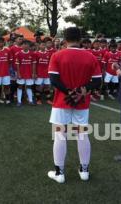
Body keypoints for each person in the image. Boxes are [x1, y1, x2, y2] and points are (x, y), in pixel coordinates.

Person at [47, 27, 102, 184]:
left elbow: (54, 80)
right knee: (82, 134)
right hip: (82, 102)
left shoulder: (57, 55)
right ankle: (84, 171)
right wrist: (79, 92)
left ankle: (59, 173)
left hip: (61, 102)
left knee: (59, 134)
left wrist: (70, 92)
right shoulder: (90, 56)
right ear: (80, 39)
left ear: (65, 39)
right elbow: (97, 81)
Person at [15, 40, 37, 107]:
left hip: (29, 73)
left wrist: (33, 73)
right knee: (20, 86)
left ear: (29, 46)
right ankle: (19, 101)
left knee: (29, 87)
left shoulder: (32, 53)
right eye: (24, 44)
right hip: (21, 73)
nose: (25, 45)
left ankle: (30, 101)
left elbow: (33, 64)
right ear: (22, 45)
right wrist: (18, 73)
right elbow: (17, 65)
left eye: (27, 44)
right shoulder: (18, 54)